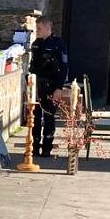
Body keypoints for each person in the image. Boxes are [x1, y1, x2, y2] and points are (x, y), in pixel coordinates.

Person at [29, 16, 68, 157]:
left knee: (50, 117)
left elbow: (64, 68)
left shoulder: (58, 44)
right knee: (35, 118)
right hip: (38, 86)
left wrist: (59, 88)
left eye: (39, 28)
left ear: (47, 27)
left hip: (52, 86)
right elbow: (32, 67)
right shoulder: (36, 44)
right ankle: (34, 148)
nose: (37, 31)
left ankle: (47, 148)